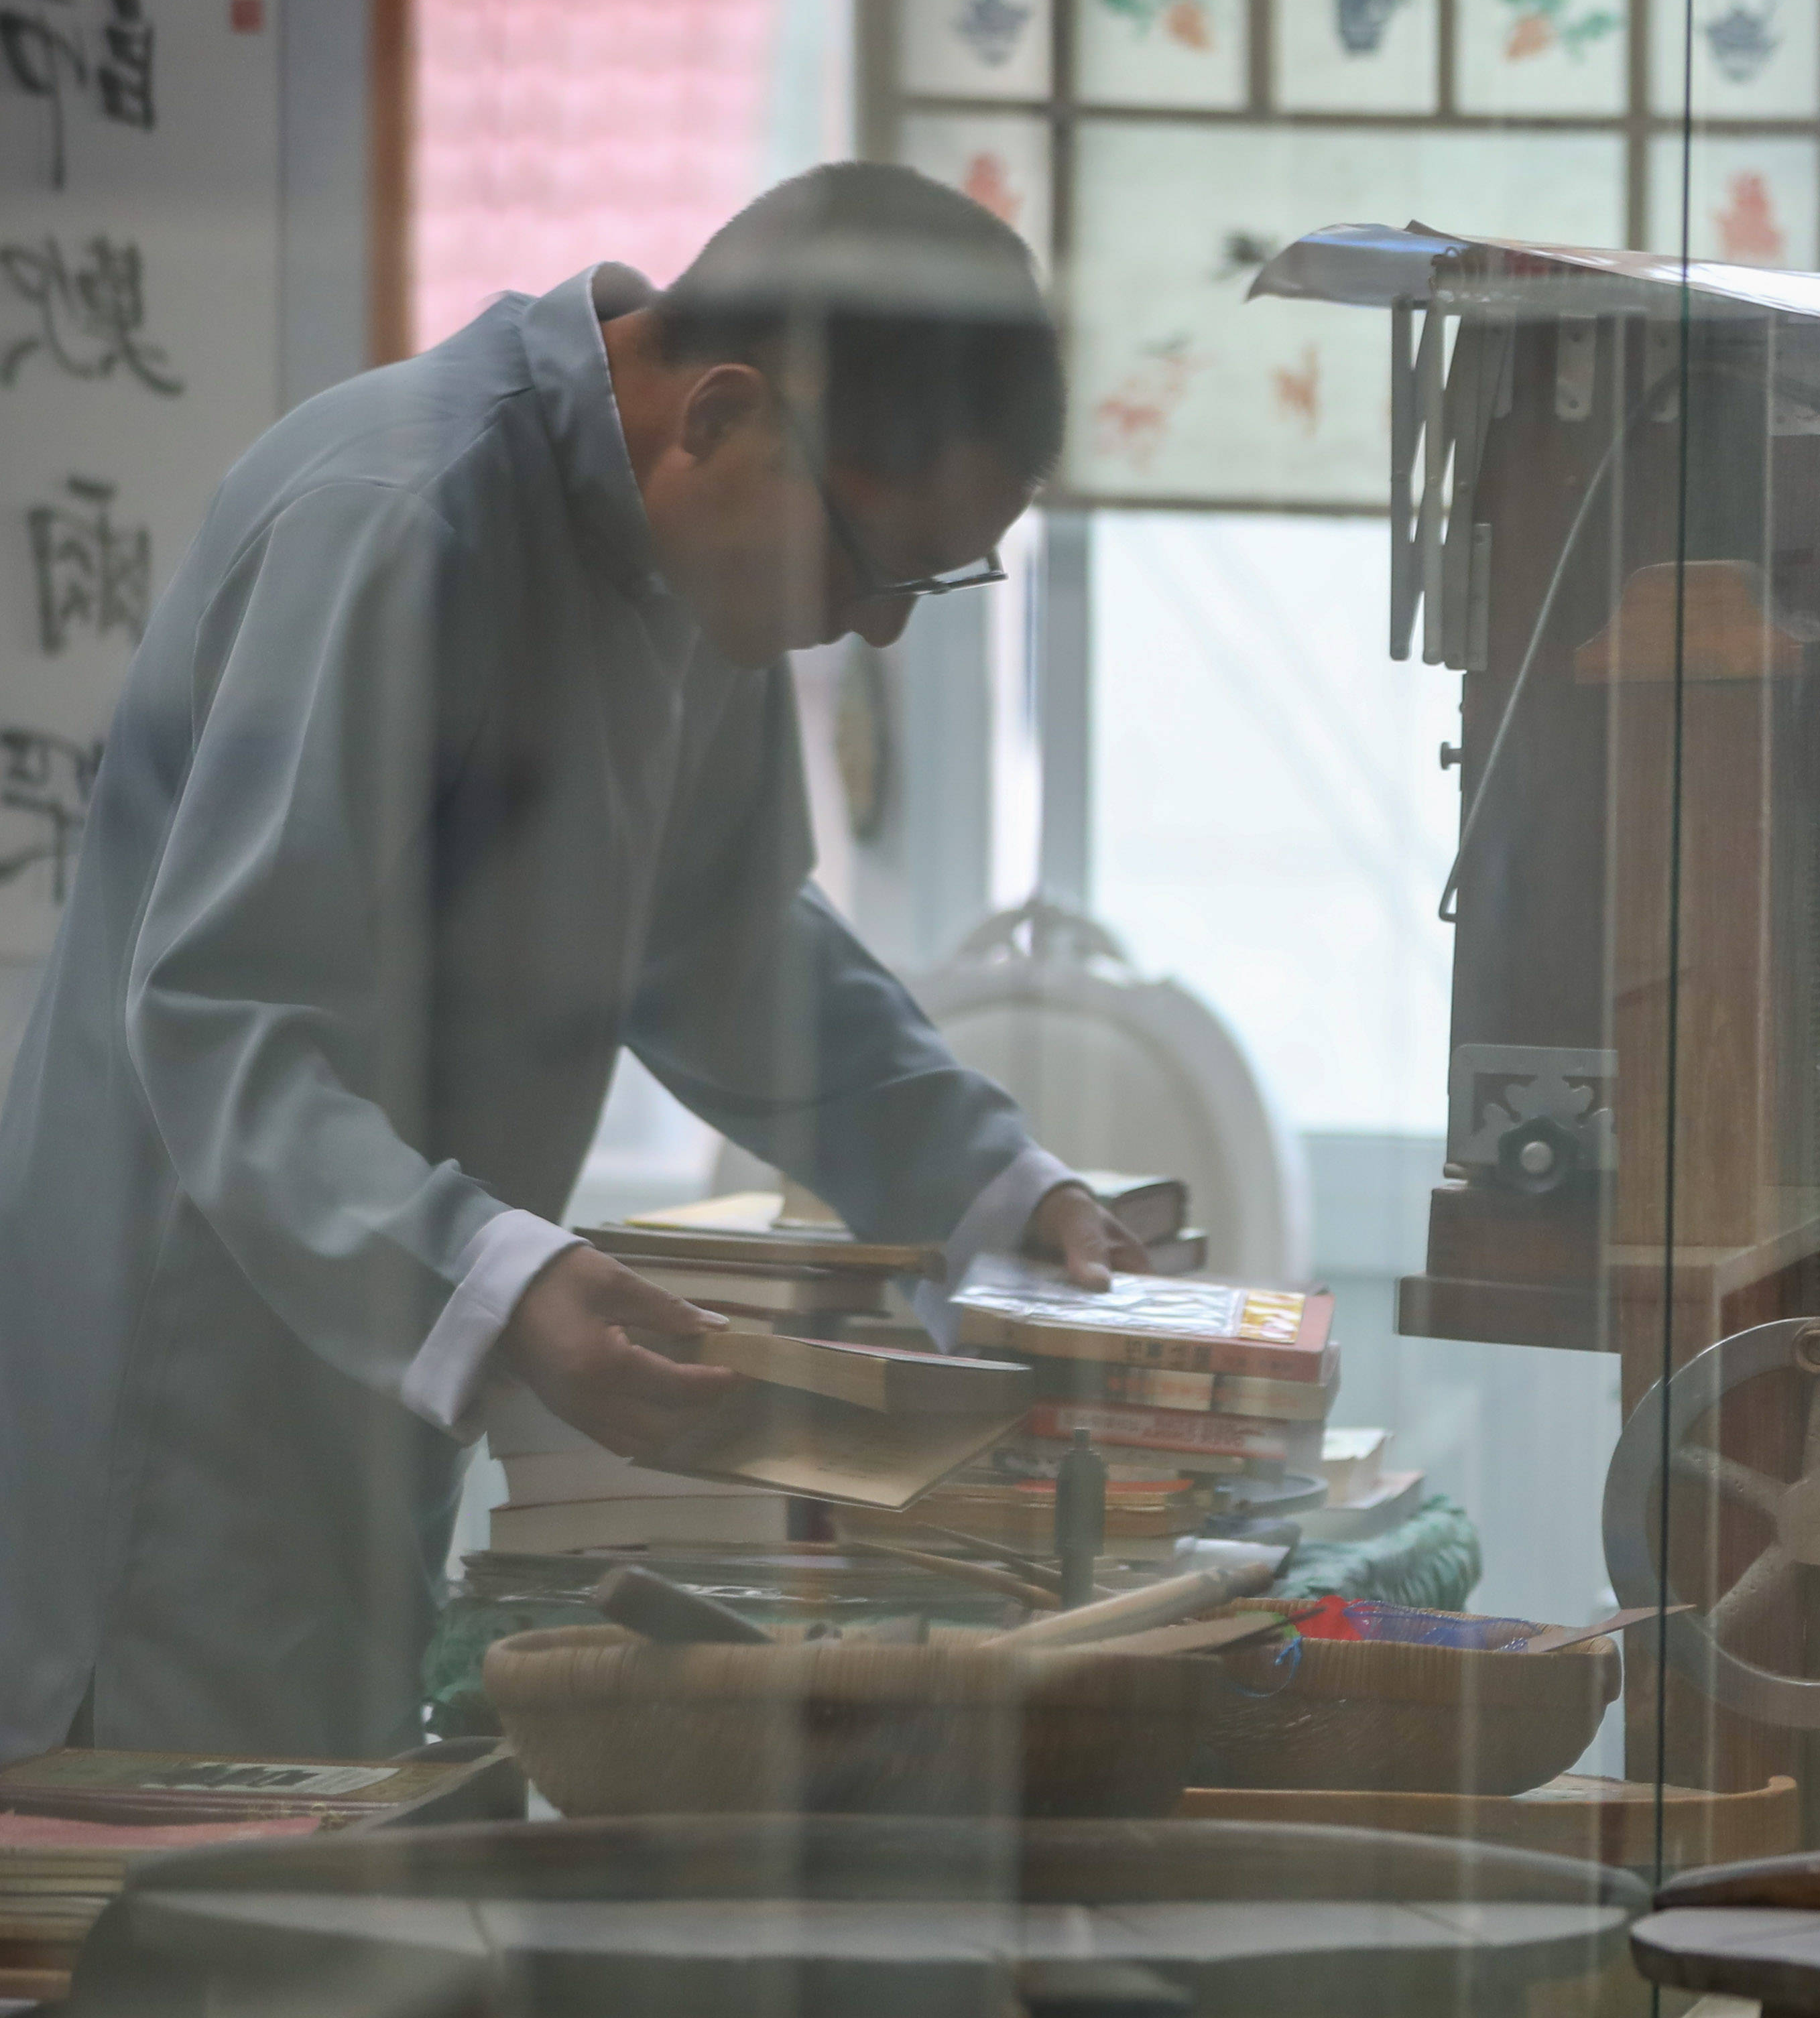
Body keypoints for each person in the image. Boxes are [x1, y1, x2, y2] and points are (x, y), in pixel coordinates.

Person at [0, 164, 1145, 1763]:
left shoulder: (694, 553)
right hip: (182, 1397)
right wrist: (498, 1273)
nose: (878, 632)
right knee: (189, 1936)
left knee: (325, 1878)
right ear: (720, 413)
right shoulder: (398, 515)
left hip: (371, 1380)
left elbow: (721, 937)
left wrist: (996, 1188)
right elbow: (217, 1015)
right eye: (877, 567)